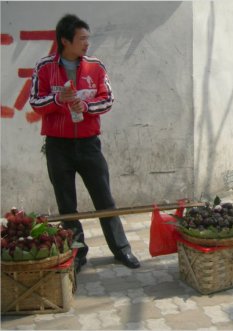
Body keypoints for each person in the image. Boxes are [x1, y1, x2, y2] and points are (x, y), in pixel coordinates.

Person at [29, 14, 140, 272]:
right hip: (58, 146)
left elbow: (108, 99)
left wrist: (86, 106)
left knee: (104, 199)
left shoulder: (95, 67)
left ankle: (121, 249)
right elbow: (35, 102)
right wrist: (60, 100)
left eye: (87, 38)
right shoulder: (44, 68)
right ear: (65, 41)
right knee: (67, 204)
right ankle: (77, 253)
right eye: (81, 39)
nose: (87, 44)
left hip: (89, 144)